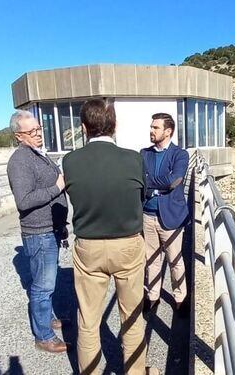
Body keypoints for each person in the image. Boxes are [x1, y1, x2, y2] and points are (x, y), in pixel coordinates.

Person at [63, 99, 150, 374]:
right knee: (132, 319)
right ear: (114, 125)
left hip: (88, 246)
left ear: (83, 127)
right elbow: (143, 195)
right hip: (127, 244)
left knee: (88, 321)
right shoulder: (133, 158)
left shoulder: (70, 161)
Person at [6, 110, 68, 353]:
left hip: (50, 228)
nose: (39, 134)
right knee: (42, 286)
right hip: (39, 232)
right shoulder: (20, 161)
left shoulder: (37, 154)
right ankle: (44, 336)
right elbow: (24, 200)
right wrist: (57, 187)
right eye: (32, 132)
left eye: (39, 129)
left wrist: (61, 225)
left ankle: (48, 319)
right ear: (19, 136)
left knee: (46, 282)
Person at [140, 113, 189, 313]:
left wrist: (150, 185)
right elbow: (140, 179)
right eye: (151, 127)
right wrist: (156, 185)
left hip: (172, 217)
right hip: (147, 215)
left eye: (155, 128)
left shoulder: (180, 154)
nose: (151, 131)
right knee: (151, 260)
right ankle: (153, 296)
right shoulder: (144, 153)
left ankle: (181, 298)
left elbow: (174, 181)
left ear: (168, 131)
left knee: (175, 261)